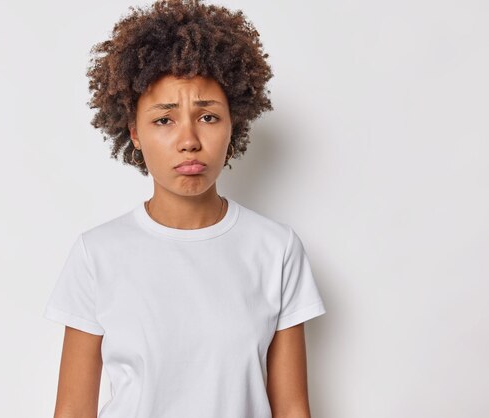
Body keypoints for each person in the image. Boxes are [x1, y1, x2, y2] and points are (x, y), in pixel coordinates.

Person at [43, 1, 326, 417]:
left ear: (234, 125)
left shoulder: (276, 249)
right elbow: (72, 411)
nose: (189, 140)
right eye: (164, 120)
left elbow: (292, 408)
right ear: (134, 132)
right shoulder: (96, 254)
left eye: (208, 117)